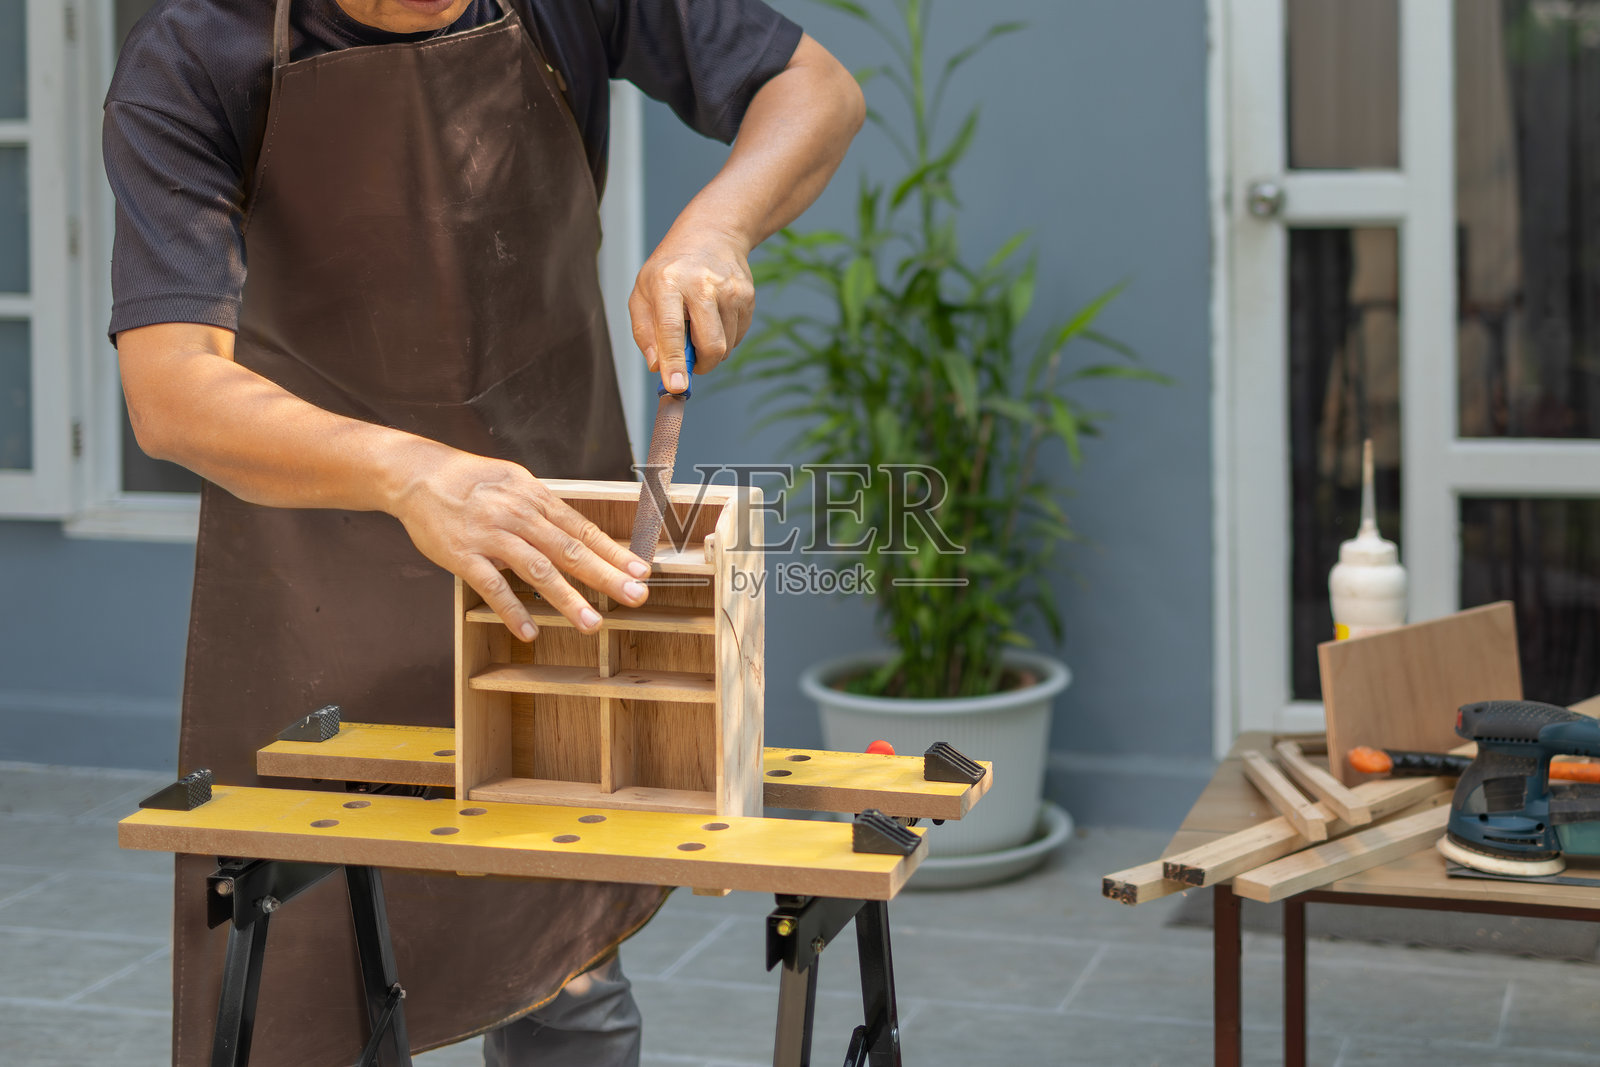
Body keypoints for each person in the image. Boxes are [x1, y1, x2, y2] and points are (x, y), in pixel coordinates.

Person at [104, 0, 863, 1063]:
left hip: (550, 546)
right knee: (306, 987)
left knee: (566, 967)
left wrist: (718, 225)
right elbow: (172, 390)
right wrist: (413, 472)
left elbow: (816, 84)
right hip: (319, 573)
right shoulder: (198, 48)